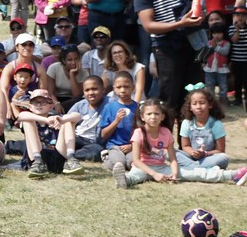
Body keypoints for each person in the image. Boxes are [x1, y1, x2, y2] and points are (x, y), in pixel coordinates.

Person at [113, 98, 244, 188]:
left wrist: (174, 174)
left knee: (193, 173)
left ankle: (232, 174)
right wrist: (155, 175)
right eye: (149, 114)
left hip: (161, 167)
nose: (153, 117)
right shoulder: (138, 133)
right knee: (135, 176)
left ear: (162, 117)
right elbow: (136, 160)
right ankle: (124, 180)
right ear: (142, 117)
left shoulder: (166, 133)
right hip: (142, 167)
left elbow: (173, 159)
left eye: (156, 114)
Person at [136, 0, 203, 116]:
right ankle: (166, 141)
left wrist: (197, 14)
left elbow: (190, 0)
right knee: (170, 99)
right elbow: (149, 25)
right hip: (166, 48)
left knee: (191, 96)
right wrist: (179, 24)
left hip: (188, 42)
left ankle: (186, 141)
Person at [18, 88, 85, 178]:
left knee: (69, 121)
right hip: (36, 158)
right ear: (30, 106)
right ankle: (38, 161)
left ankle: (71, 158)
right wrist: (46, 120)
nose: (39, 105)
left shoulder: (57, 118)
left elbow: (78, 116)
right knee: (28, 121)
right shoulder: (29, 117)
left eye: (43, 102)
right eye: (35, 102)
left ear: (51, 106)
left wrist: (62, 120)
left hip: (57, 156)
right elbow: (21, 116)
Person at [177, 86, 229, 170]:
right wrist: (193, 152)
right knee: (172, 152)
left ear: (210, 105)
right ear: (190, 107)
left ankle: (191, 168)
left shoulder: (216, 124)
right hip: (191, 157)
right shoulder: (186, 123)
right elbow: (185, 146)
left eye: (202, 103)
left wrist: (204, 154)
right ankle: (201, 169)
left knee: (223, 158)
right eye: (194, 104)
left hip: (209, 157)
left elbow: (220, 150)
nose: (198, 107)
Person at [100, 71, 138, 171]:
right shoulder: (109, 107)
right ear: (114, 89)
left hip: (132, 146)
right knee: (119, 163)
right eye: (119, 87)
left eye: (126, 87)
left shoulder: (138, 108)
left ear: (133, 88)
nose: (123, 90)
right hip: (115, 146)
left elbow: (142, 132)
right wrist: (116, 121)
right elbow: (103, 134)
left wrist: (132, 146)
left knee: (133, 164)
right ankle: (108, 159)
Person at [70, 75, 107, 161]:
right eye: (87, 90)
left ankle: (72, 155)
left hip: (94, 143)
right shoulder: (79, 105)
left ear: (103, 90)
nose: (91, 93)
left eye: (94, 89)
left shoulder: (110, 104)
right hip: (78, 139)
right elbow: (67, 121)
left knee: (97, 152)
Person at [45, 45, 87, 111]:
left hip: (73, 100)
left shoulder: (84, 73)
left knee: (80, 100)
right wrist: (56, 103)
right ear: (63, 60)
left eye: (76, 59)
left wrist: (72, 74)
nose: (73, 62)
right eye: (69, 60)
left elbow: (76, 95)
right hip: (56, 98)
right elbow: (51, 93)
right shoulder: (54, 68)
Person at [203, 15, 231, 103]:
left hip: (221, 68)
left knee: (223, 85)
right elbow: (205, 54)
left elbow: (225, 52)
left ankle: (223, 100)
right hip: (209, 68)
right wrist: (203, 63)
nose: (217, 35)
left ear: (223, 33)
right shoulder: (208, 43)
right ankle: (211, 101)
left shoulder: (226, 43)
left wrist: (215, 47)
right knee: (209, 85)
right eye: (214, 33)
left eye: (219, 33)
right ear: (211, 34)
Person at [228, 6, 247, 108]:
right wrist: (238, 29)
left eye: (243, 15)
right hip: (236, 60)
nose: (240, 18)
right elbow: (234, 40)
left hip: (246, 60)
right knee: (237, 80)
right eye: (237, 15)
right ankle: (238, 98)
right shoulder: (231, 28)